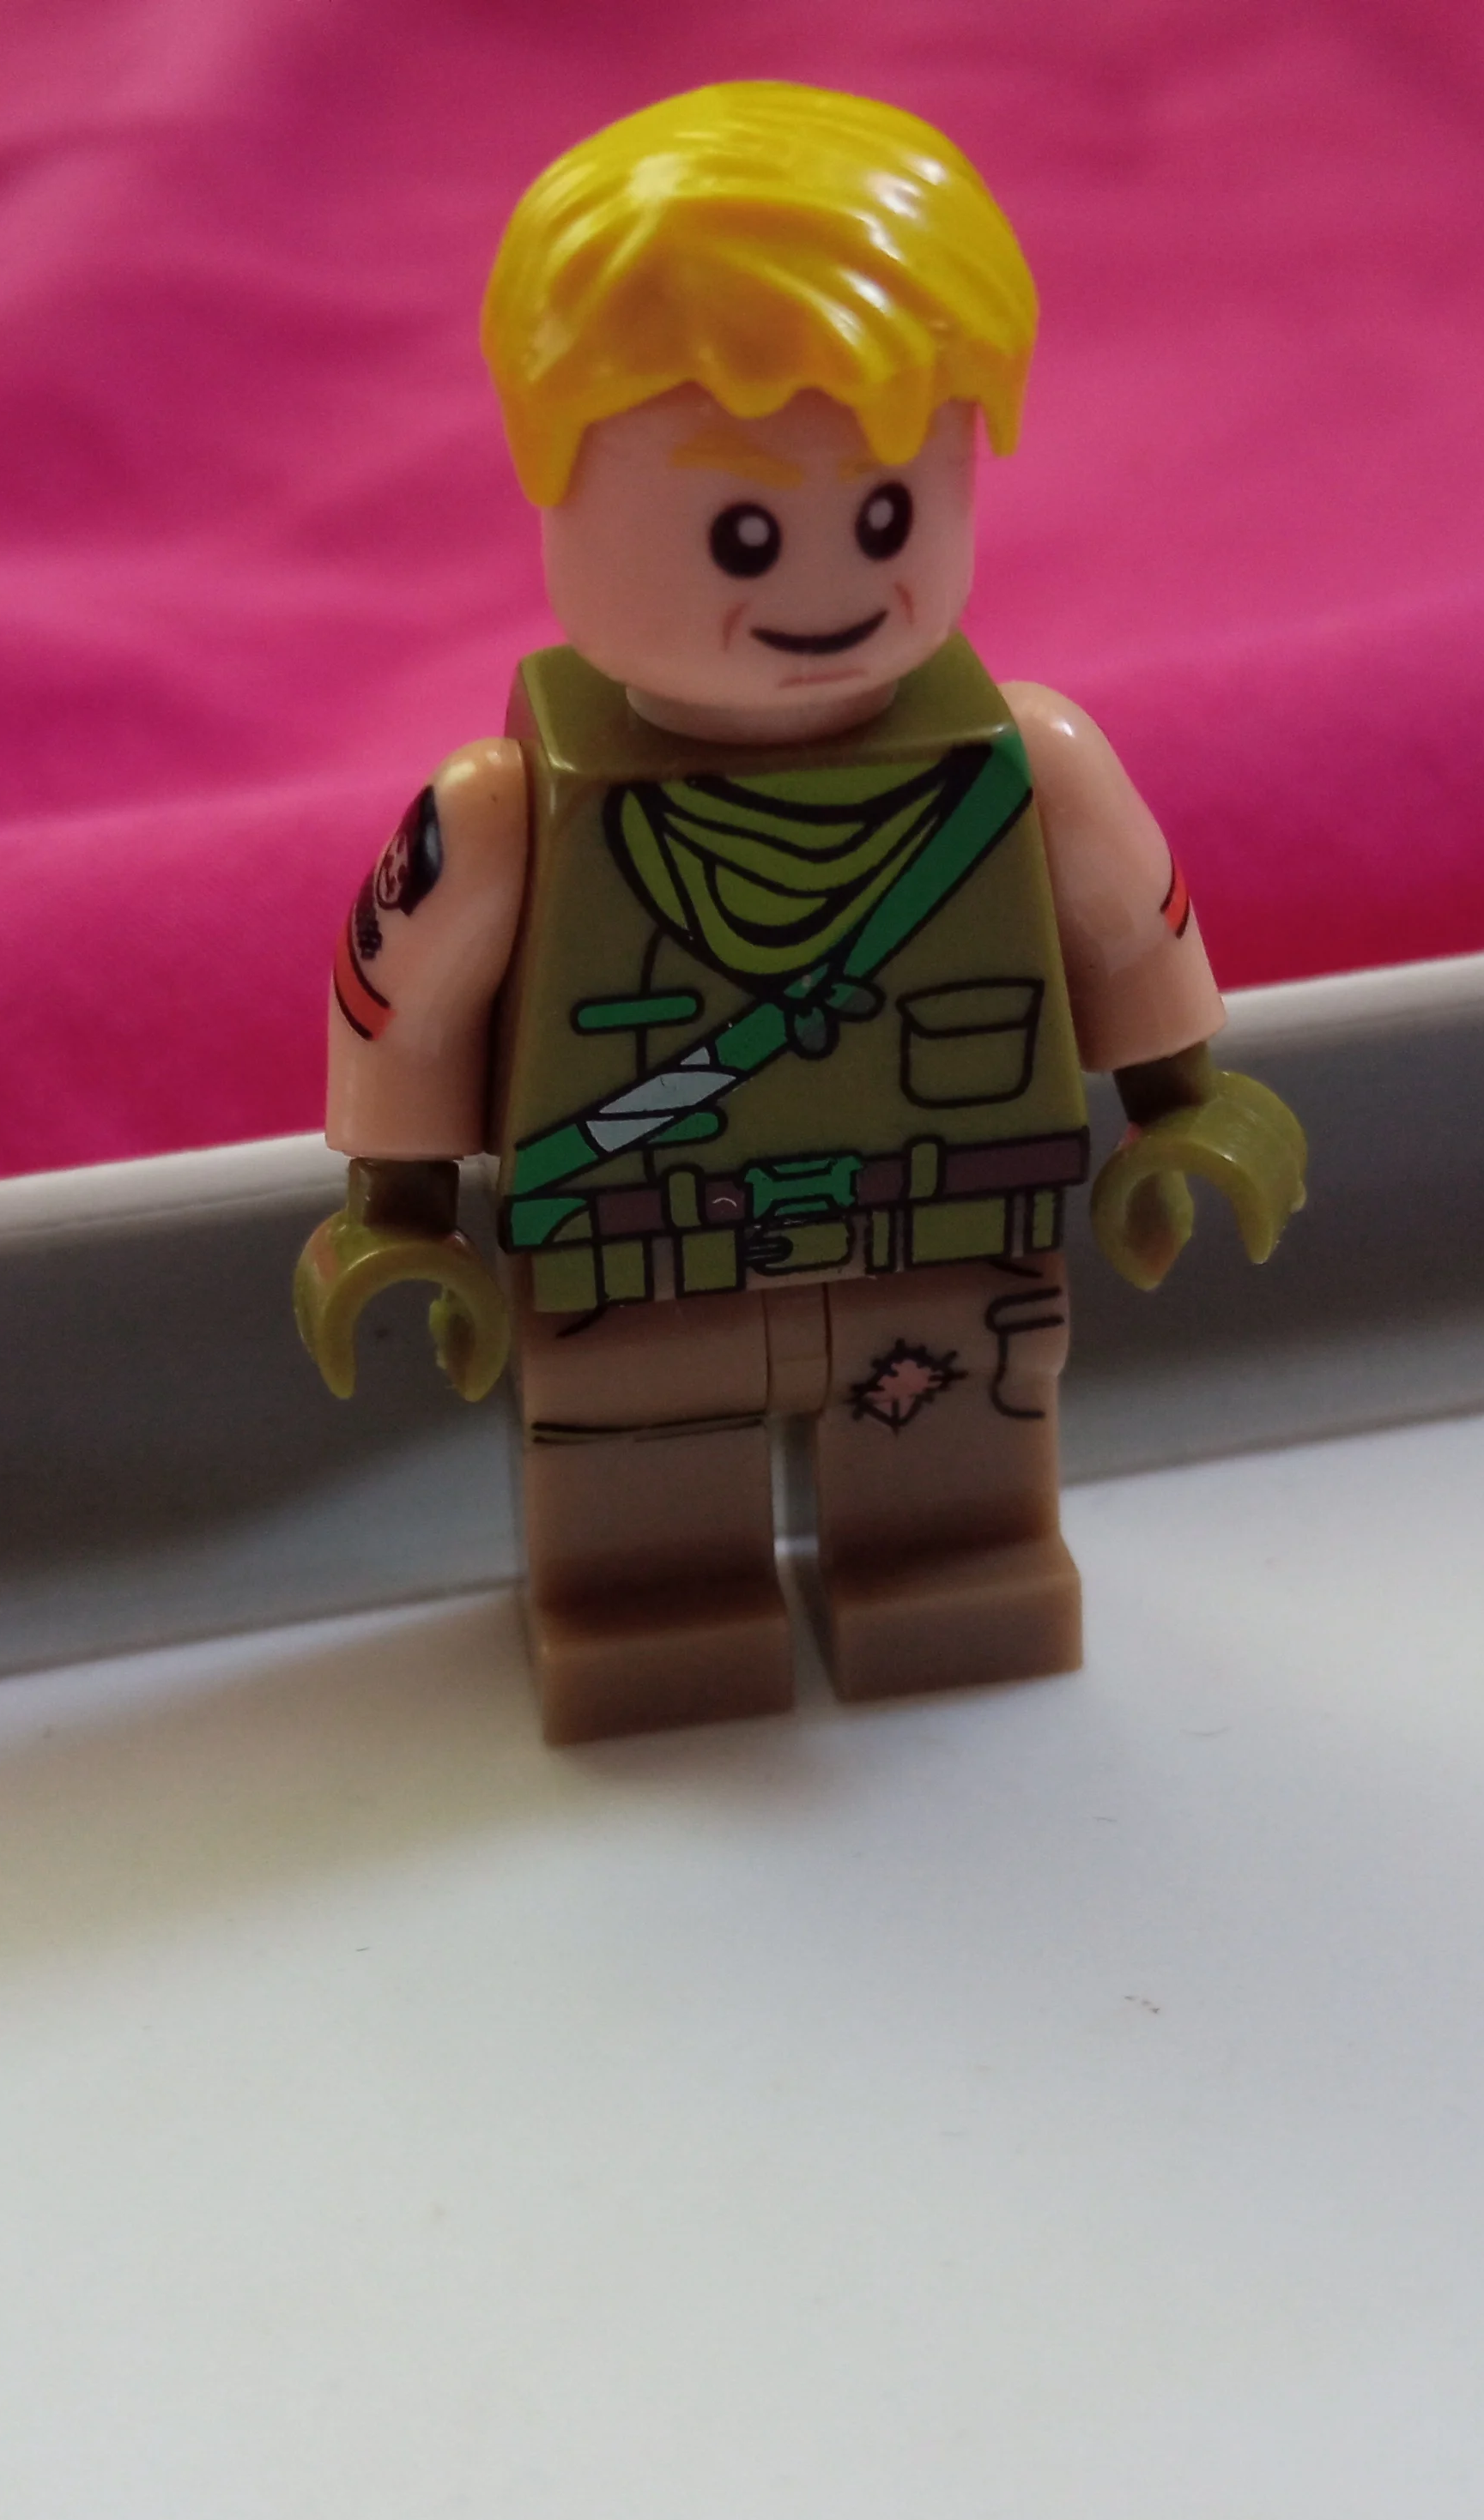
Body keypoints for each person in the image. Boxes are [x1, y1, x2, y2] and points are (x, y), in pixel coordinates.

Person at [296, 81, 1305, 1744]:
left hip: (949, 1218)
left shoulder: (1029, 767)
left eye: (887, 512)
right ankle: (647, 1603)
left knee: (959, 1439)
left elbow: (1131, 939)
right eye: (744, 530)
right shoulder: (502, 813)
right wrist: (394, 1214)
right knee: (643, 1472)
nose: (828, 588)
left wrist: (1190, 1108)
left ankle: (951, 1563)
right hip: (634, 1238)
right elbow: (407, 1006)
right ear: (555, 487)